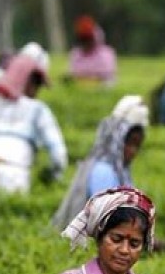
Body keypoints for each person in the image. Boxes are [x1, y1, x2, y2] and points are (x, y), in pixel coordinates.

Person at [0, 53, 68, 193]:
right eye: (35, 83)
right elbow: (58, 155)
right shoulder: (37, 110)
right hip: (16, 179)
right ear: (26, 81)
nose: (36, 90)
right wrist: (51, 177)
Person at [52, 95, 149, 230]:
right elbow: (106, 219)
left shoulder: (120, 169)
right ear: (118, 140)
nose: (133, 152)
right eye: (130, 144)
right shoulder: (103, 171)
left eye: (137, 146)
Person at [66, 15, 117, 85]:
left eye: (88, 39)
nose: (86, 43)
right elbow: (73, 74)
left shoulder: (105, 54)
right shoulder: (75, 54)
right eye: (83, 40)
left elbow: (106, 76)